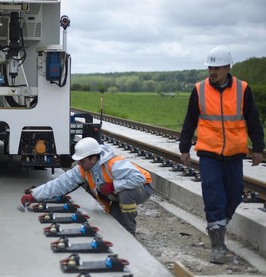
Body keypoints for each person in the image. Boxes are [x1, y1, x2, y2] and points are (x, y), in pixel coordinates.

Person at [179, 46, 264, 264]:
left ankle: (218, 225)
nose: (212, 72)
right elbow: (190, 120)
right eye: (210, 68)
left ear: (228, 68)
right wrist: (184, 147)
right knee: (214, 196)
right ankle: (217, 245)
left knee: (234, 196)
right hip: (209, 153)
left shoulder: (242, 89)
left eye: (216, 68)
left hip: (235, 154)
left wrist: (258, 147)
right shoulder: (199, 90)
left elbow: (253, 119)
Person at [20, 137, 153, 236]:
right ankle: (123, 227)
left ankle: (131, 232)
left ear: (93, 159)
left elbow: (139, 179)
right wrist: (34, 195)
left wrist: (114, 185)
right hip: (120, 191)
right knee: (116, 225)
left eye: (82, 160)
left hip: (142, 188)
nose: (79, 163)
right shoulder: (83, 169)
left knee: (126, 194)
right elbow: (61, 183)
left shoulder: (114, 164)